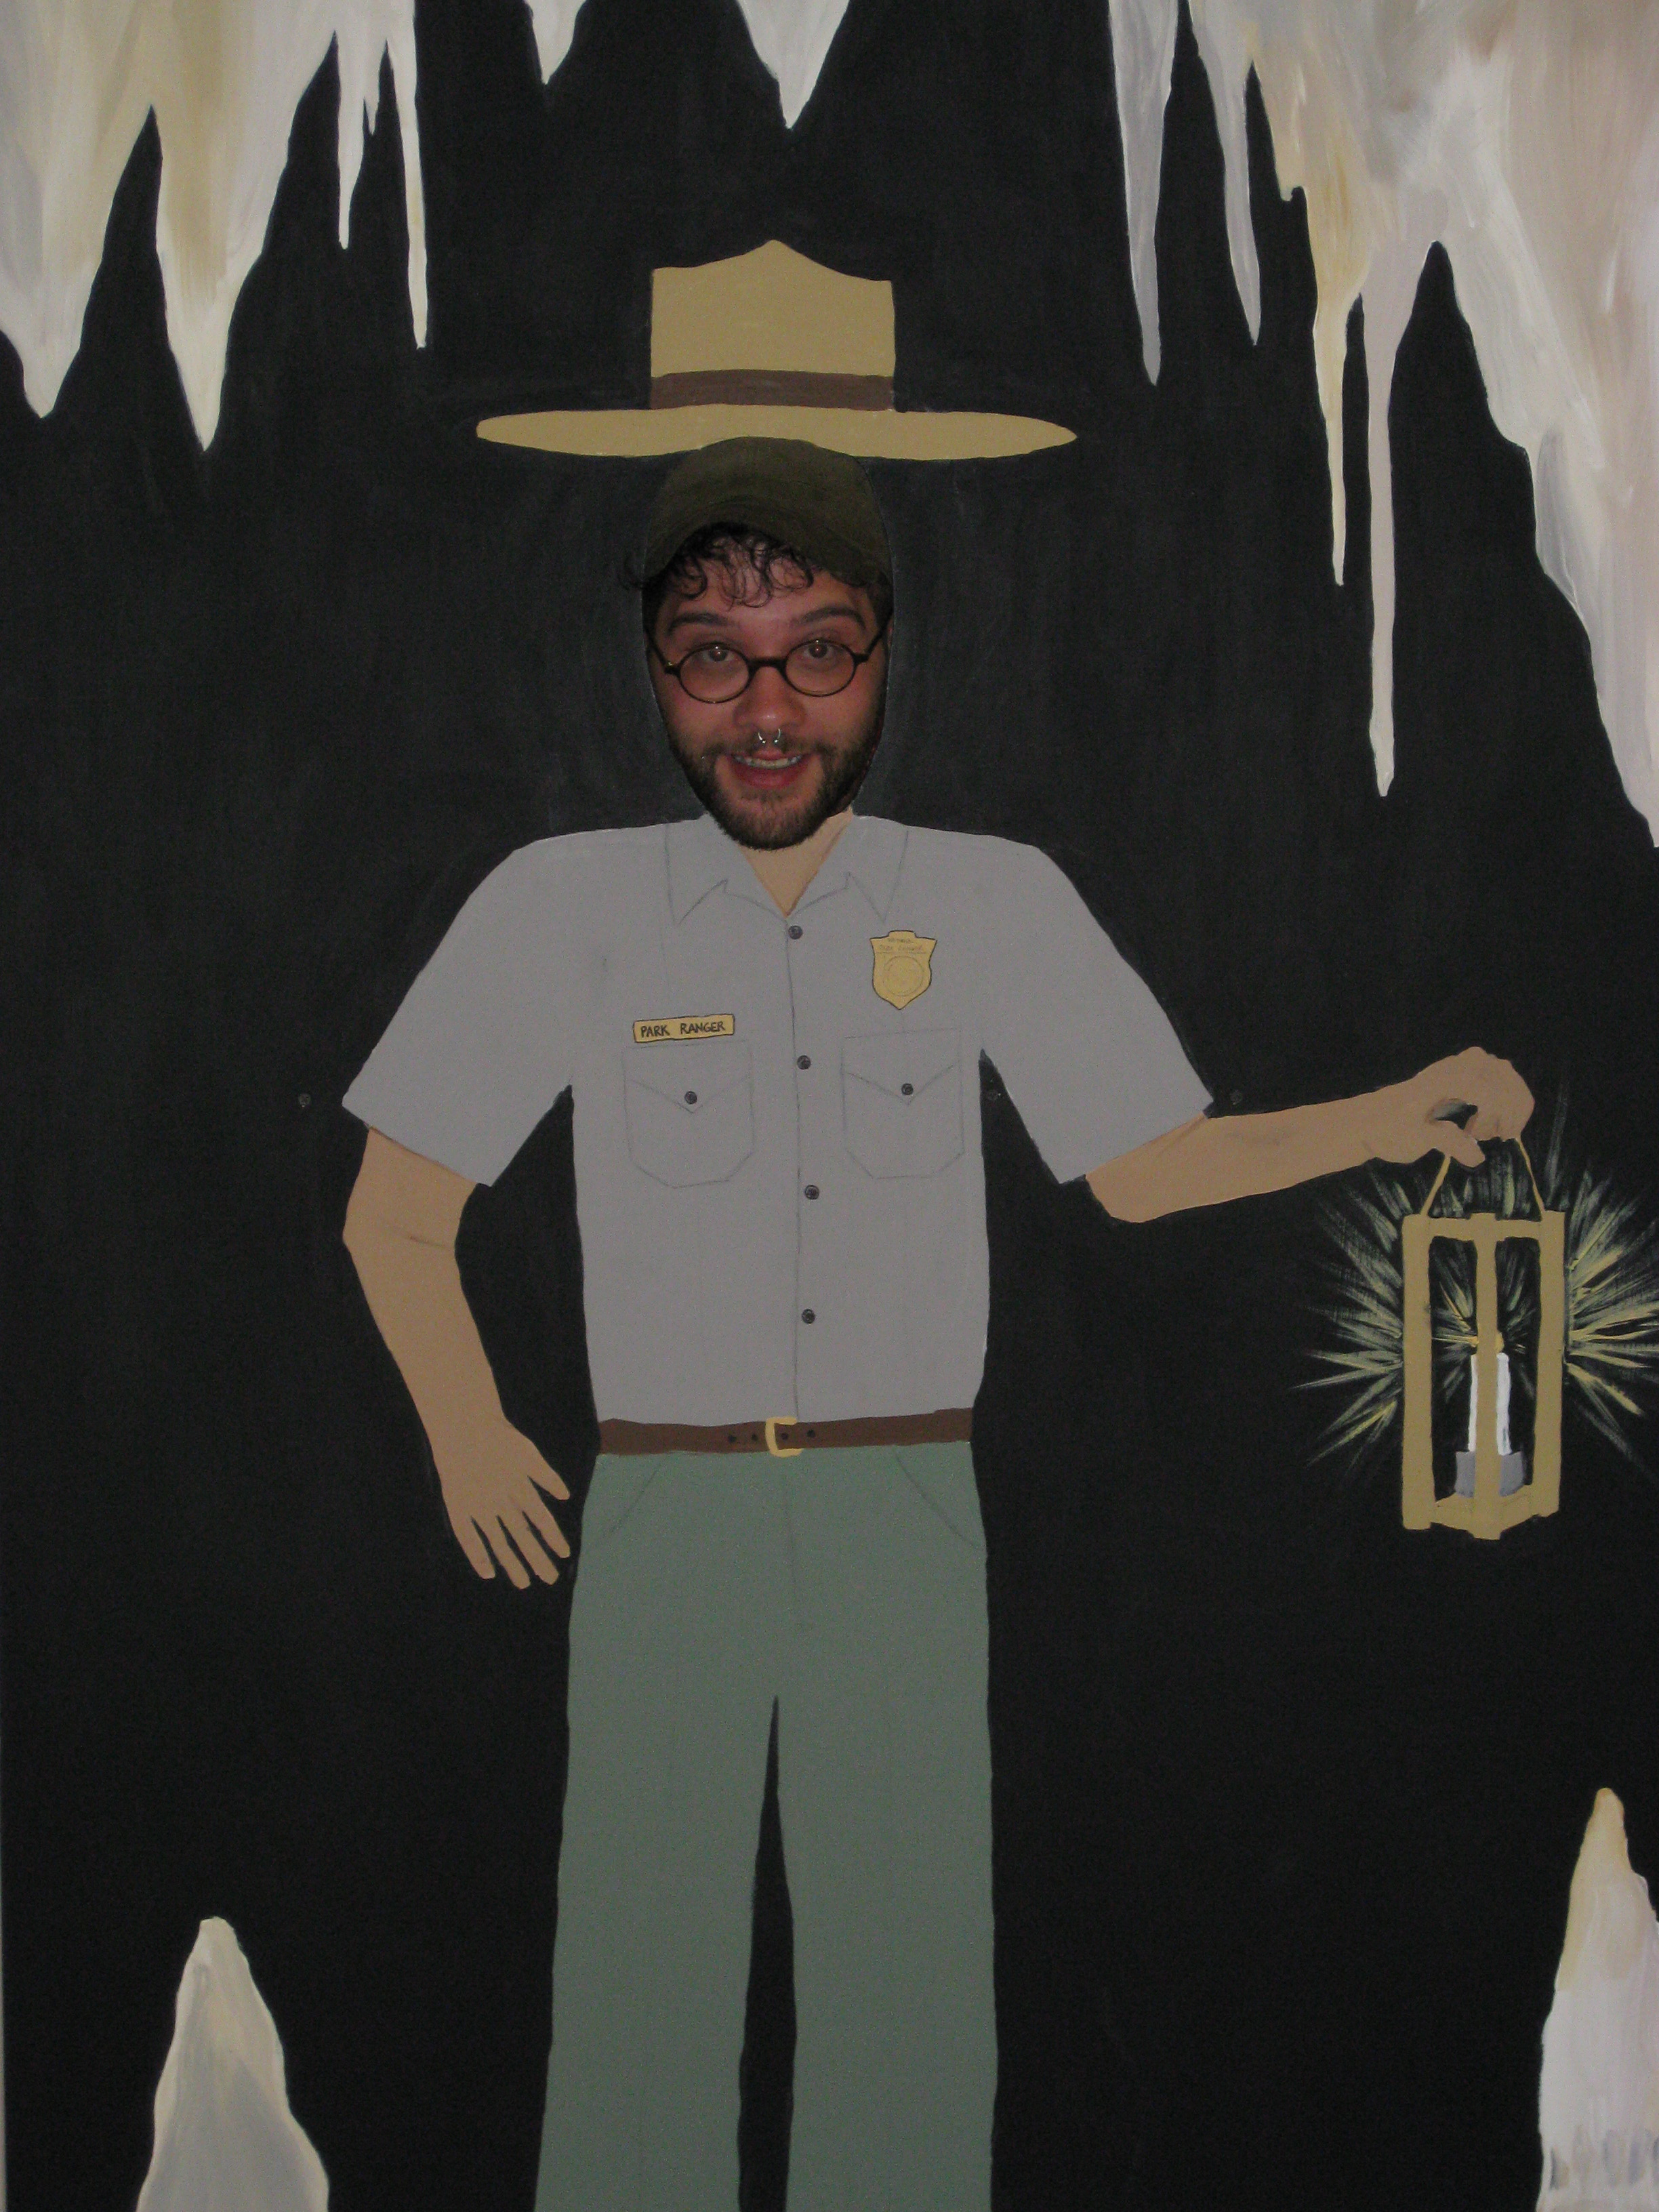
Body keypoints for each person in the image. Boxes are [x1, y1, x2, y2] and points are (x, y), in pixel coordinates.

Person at [340, 263, 1532, 2212]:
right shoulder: (560, 905)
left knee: (905, 2011)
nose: (769, 709)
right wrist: (469, 1433)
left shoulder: (992, 902)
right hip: (663, 1520)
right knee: (637, 1996)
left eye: (819, 652)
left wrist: (1391, 1118)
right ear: (652, 666)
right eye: (715, 657)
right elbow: (398, 1213)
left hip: (906, 1514)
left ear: (886, 654)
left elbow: (1145, 1166)